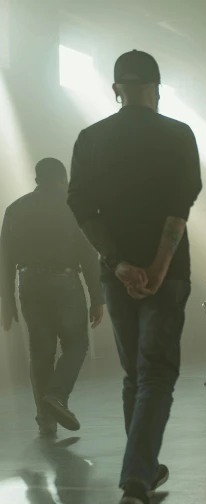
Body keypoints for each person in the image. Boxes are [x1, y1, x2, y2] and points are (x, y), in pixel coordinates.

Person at [67, 50, 202, 504]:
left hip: (117, 277)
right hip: (168, 277)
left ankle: (141, 467)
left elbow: (82, 208)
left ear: (116, 90)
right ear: (157, 90)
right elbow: (178, 206)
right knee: (157, 376)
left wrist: (119, 263)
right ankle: (137, 481)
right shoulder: (178, 135)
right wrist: (161, 266)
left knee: (134, 377)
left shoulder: (91, 139)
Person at [0, 158, 104, 438]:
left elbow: (5, 259)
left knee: (41, 352)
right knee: (77, 343)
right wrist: (97, 297)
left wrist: (7, 300)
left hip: (29, 283)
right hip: (64, 282)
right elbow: (88, 254)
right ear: (60, 179)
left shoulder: (14, 209)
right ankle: (56, 396)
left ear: (37, 179)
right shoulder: (72, 207)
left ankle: (46, 421)